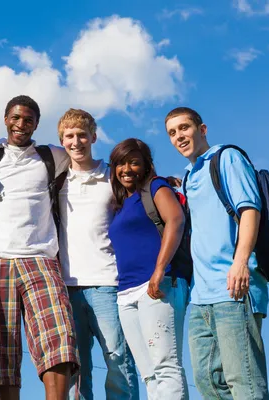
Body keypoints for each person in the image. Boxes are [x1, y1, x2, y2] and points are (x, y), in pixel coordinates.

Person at [0, 95, 80, 400]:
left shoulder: (52, 156)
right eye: (15, 118)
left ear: (37, 124)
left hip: (41, 259)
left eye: (28, 120)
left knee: (59, 339)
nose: (20, 125)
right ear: (5, 118)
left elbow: (92, 166)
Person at [165, 107, 269, 399]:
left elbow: (249, 209)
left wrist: (240, 262)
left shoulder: (227, 158)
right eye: (172, 133)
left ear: (202, 129)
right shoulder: (189, 174)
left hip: (233, 287)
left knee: (245, 381)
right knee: (208, 382)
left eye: (184, 128)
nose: (179, 136)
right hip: (200, 296)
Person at [55, 109, 138, 400]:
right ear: (61, 141)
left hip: (108, 282)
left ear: (93, 136)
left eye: (81, 135)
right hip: (67, 284)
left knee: (118, 358)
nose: (76, 142)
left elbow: (140, 199)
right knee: (76, 368)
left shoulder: (111, 175)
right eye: (69, 136)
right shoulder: (58, 179)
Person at [108, 138, 190, 399]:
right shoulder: (121, 204)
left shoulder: (155, 187)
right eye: (121, 163)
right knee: (149, 373)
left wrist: (159, 269)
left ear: (145, 166)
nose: (127, 169)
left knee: (166, 365)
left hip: (158, 284)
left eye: (134, 162)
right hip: (126, 294)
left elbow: (175, 220)